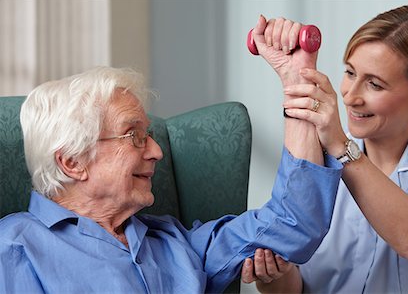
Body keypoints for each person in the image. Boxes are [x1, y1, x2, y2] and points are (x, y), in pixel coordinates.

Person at [0, 16, 343, 293]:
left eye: (148, 135)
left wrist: (296, 79)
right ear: (73, 161)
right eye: (134, 135)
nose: (157, 151)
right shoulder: (14, 250)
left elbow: (293, 223)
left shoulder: (176, 243)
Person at [241, 5, 408, 293]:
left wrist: (340, 145)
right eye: (350, 72)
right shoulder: (316, 160)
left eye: (374, 84)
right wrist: (275, 274)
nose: (350, 97)